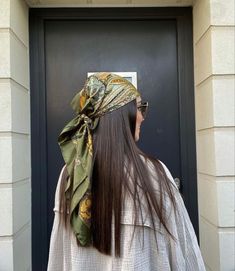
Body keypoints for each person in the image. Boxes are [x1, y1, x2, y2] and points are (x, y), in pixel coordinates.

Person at [47, 72, 206, 271]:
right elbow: (185, 252)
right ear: (119, 116)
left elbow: (58, 256)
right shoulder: (155, 174)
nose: (142, 116)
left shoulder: (70, 174)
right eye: (139, 107)